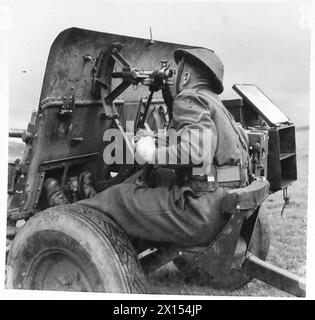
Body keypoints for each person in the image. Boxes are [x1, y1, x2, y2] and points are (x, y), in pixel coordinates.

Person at [78, 48, 249, 247]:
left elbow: (197, 153)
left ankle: (76, 215)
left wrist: (151, 153)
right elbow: (203, 141)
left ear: (185, 77)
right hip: (226, 208)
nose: (172, 77)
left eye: (176, 72)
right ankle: (95, 203)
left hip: (202, 212)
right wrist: (156, 138)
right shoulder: (214, 103)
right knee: (148, 178)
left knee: (118, 198)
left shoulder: (190, 98)